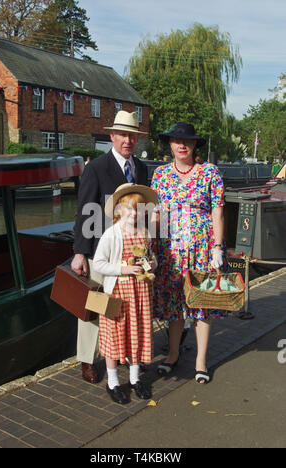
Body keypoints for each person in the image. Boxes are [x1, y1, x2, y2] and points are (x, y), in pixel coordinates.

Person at [71, 111, 148, 384]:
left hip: (131, 252)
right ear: (112, 136)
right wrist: (80, 253)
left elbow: (145, 211)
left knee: (124, 308)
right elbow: (85, 212)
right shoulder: (96, 168)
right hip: (100, 250)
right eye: (122, 135)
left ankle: (121, 354)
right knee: (96, 306)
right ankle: (88, 360)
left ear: (136, 138)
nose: (127, 140)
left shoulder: (141, 168)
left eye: (132, 135)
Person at [151, 122, 227, 384]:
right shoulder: (159, 175)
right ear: (170, 144)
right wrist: (150, 247)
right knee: (174, 304)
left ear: (194, 145)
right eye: (176, 140)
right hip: (170, 250)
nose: (181, 145)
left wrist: (217, 247)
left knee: (201, 302)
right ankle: (172, 355)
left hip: (202, 248)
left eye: (187, 141)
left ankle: (200, 361)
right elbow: (156, 214)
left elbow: (217, 210)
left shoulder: (210, 173)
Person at [92, 183, 158, 404]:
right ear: (119, 210)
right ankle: (112, 382)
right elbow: (99, 264)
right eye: (129, 208)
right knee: (114, 335)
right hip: (118, 293)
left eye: (139, 209)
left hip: (140, 292)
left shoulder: (145, 233)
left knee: (137, 332)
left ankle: (134, 378)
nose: (134, 213)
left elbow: (149, 258)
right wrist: (123, 269)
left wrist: (152, 263)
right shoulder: (111, 234)